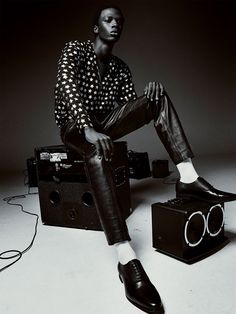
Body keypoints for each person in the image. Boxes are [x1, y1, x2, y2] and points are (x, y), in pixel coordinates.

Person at [54, 6, 236, 314]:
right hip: (75, 126)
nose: (115, 25)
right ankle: (127, 260)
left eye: (120, 22)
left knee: (157, 97)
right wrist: (87, 129)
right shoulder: (75, 50)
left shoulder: (120, 68)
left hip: (104, 123)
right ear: (95, 27)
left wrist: (146, 99)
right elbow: (68, 89)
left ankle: (189, 178)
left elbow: (126, 107)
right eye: (108, 20)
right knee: (96, 151)